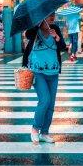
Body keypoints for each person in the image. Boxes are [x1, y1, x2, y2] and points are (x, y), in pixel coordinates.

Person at [23, 13, 67, 144]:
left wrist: (57, 37)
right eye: (48, 15)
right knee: (44, 100)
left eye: (53, 14)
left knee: (51, 105)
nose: (52, 17)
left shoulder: (55, 29)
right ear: (42, 18)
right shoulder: (34, 30)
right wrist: (37, 25)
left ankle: (45, 132)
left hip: (53, 71)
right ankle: (35, 129)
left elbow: (63, 46)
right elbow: (28, 35)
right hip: (38, 72)